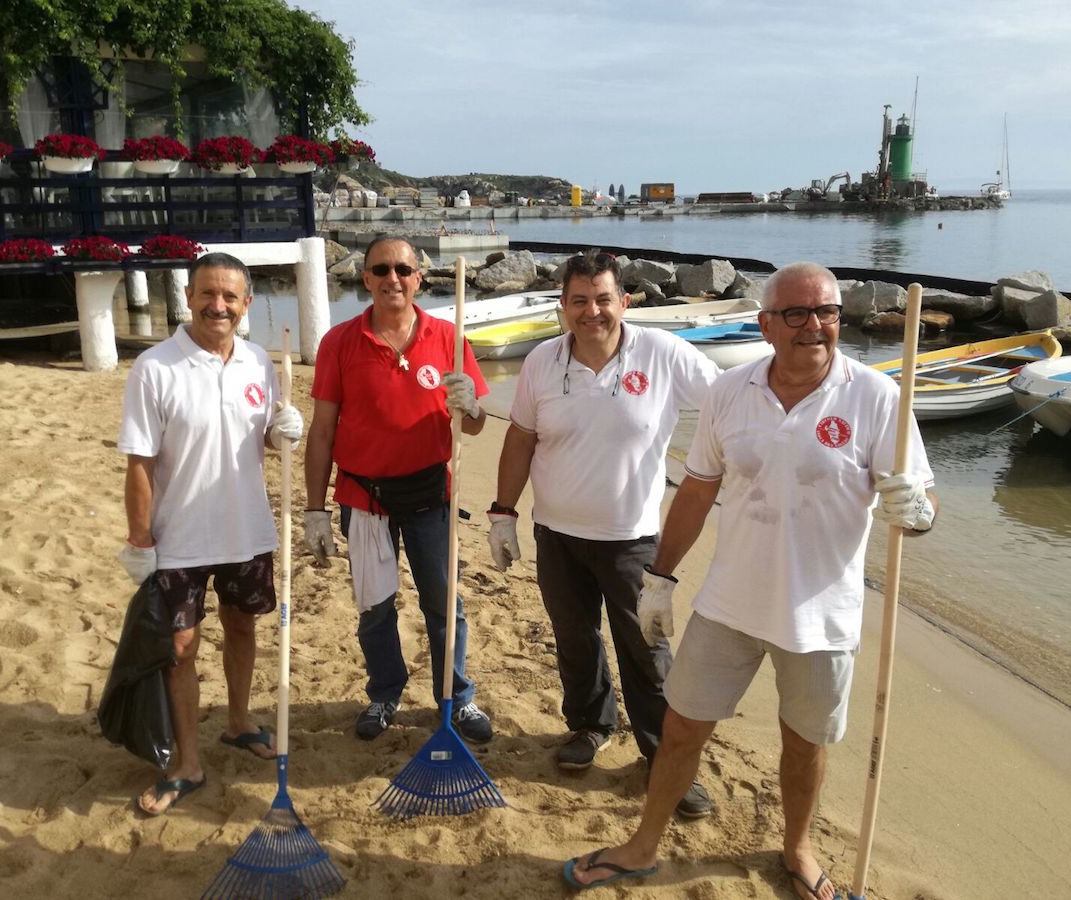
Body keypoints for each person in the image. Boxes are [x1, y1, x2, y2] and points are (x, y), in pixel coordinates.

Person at [561, 261, 938, 897]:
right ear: (765, 324)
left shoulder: (877, 396)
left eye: (827, 313)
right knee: (680, 727)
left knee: (805, 743)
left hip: (821, 617)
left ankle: (797, 847)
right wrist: (659, 577)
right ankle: (644, 844)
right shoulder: (729, 392)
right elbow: (698, 490)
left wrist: (917, 511)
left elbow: (919, 503)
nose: (815, 326)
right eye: (797, 313)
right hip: (729, 603)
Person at [489, 250, 721, 819]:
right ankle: (590, 724)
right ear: (563, 307)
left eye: (603, 299)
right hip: (557, 533)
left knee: (646, 648)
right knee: (574, 637)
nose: (592, 311)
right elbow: (520, 437)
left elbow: (729, 406)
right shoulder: (543, 361)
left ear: (624, 301)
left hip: (632, 539)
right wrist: (502, 512)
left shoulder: (664, 354)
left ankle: (662, 754)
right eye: (579, 301)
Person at [117, 252, 304, 816]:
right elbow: (140, 463)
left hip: (246, 529)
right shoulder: (155, 367)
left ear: (247, 304)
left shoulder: (258, 363)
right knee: (179, 649)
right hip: (180, 537)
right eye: (207, 294)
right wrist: (139, 540)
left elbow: (266, 436)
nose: (217, 305)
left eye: (230, 296)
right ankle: (186, 762)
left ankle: (239, 722)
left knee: (243, 627)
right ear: (189, 297)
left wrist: (283, 430)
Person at [303, 236, 493, 743]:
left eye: (403, 270)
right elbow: (322, 430)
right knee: (375, 606)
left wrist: (469, 404)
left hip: (433, 494)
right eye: (381, 269)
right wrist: (314, 509)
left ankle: (457, 697)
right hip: (365, 498)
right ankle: (384, 692)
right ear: (364, 278)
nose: (393, 279)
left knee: (443, 603)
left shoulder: (448, 337)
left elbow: (473, 426)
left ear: (419, 278)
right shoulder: (339, 342)